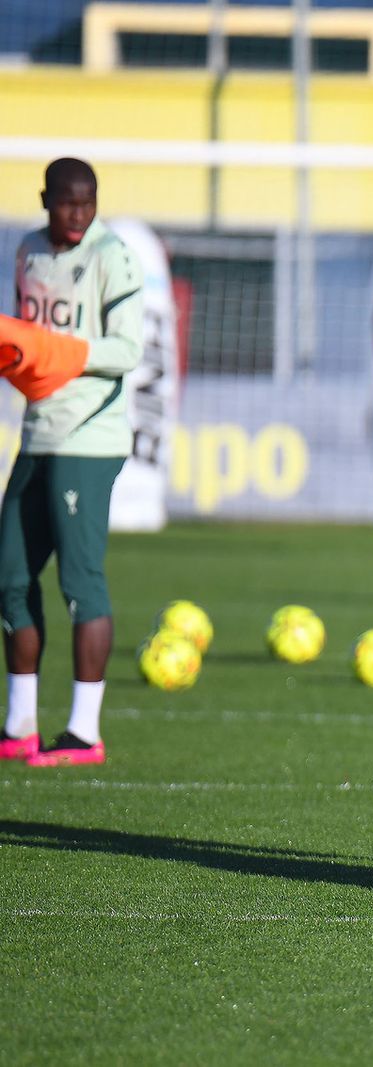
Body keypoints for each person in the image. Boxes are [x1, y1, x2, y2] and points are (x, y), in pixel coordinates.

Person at [0, 157, 143, 766]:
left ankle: (84, 732)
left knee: (79, 584)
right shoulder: (29, 250)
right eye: (67, 203)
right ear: (45, 200)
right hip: (38, 433)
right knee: (9, 577)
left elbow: (128, 348)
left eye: (88, 203)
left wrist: (57, 350)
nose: (79, 214)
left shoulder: (114, 256)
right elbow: (26, 339)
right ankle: (20, 724)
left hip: (90, 437)